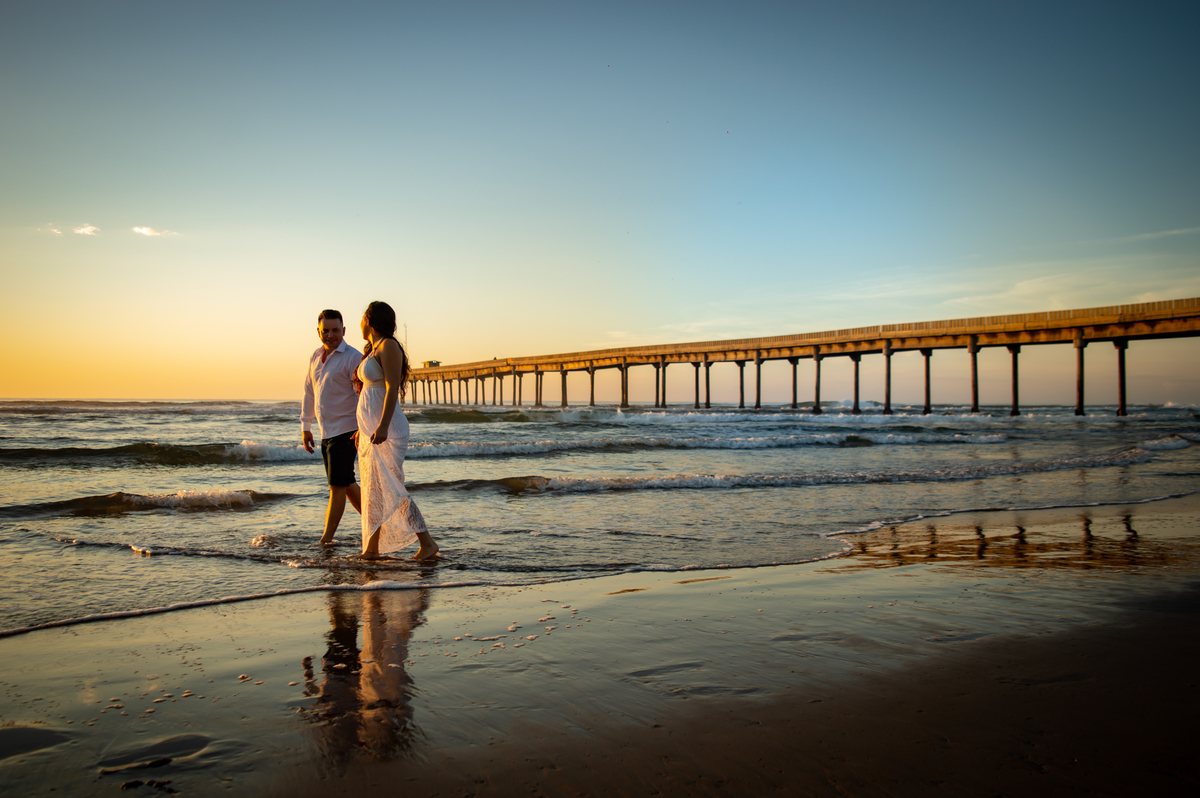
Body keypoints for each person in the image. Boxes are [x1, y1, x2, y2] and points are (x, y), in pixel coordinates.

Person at [356, 301, 440, 560]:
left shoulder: (389, 345)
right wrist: (363, 428)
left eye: (361, 316)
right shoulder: (372, 350)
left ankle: (427, 543)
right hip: (372, 430)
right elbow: (370, 392)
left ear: (370, 319)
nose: (359, 321)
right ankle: (371, 549)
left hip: (388, 428)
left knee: (392, 487)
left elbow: (392, 388)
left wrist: (381, 425)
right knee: (373, 489)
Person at [301, 309, 363, 545]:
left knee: (336, 486)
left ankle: (326, 540)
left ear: (343, 331)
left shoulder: (353, 358)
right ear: (318, 332)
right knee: (346, 484)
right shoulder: (316, 356)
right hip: (326, 431)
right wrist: (306, 425)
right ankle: (377, 522)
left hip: (347, 430)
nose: (330, 335)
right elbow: (309, 391)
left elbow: (362, 395)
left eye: (335, 330)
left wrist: (362, 428)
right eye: (325, 331)